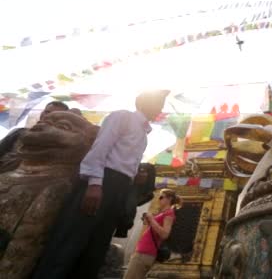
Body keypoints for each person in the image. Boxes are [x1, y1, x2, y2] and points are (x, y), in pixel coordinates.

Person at [31, 90, 169, 279]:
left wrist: (135, 176)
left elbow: (121, 162)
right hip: (102, 182)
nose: (160, 109)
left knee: (95, 250)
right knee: (70, 242)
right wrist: (95, 184)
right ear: (144, 103)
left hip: (119, 189)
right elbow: (100, 149)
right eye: (158, 104)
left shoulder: (144, 135)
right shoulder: (122, 117)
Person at [123, 188, 181, 279]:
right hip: (142, 252)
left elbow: (165, 234)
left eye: (162, 197)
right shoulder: (163, 213)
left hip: (145, 253)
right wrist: (148, 221)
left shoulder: (169, 213)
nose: (159, 199)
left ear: (169, 199)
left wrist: (152, 219)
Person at [0, 101, 69, 173]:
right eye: (47, 112)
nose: (49, 116)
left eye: (56, 115)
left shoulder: (60, 146)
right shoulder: (19, 132)